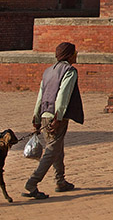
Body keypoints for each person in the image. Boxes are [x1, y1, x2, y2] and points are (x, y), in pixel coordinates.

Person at [23, 42, 84, 200]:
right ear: (70, 55)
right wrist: (58, 117)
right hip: (57, 116)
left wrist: (36, 119)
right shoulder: (69, 71)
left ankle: (60, 180)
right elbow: (63, 95)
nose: (76, 55)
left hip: (44, 114)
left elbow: (40, 97)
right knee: (51, 151)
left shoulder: (48, 71)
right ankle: (32, 183)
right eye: (74, 53)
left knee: (57, 148)